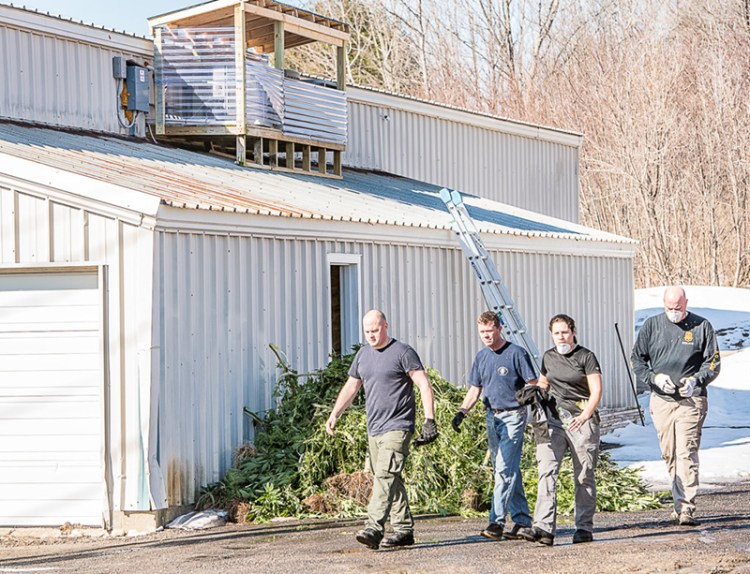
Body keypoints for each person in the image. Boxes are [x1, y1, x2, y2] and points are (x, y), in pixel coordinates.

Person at [326, 309, 438, 550]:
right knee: (387, 476)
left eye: (375, 330)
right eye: (367, 332)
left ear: (385, 326)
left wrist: (430, 420)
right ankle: (404, 530)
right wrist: (335, 413)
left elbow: (424, 385)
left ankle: (374, 527)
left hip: (398, 426)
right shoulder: (363, 355)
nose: (371, 336)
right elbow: (351, 387)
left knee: (385, 475)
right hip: (374, 428)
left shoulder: (403, 352)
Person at [631, 286, 720, 526]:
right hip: (662, 400)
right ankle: (678, 499)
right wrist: (654, 378)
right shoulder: (652, 326)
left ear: (686, 303)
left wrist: (696, 380)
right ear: (664, 304)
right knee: (670, 453)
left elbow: (713, 363)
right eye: (669, 308)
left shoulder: (702, 327)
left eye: (678, 308)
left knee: (686, 452)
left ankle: (686, 508)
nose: (674, 312)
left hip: (691, 400)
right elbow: (637, 360)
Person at [451, 311, 537, 540]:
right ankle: (522, 521)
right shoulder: (481, 357)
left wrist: (529, 400)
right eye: (482, 332)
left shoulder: (516, 353)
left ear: (499, 328)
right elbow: (474, 389)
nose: (486, 336)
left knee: (503, 470)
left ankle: (496, 523)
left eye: (490, 331)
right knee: (510, 470)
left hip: (513, 417)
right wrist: (462, 411)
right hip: (492, 417)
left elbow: (533, 383)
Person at [522, 314, 602, 546]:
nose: (561, 337)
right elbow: (545, 382)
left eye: (564, 332)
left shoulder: (586, 357)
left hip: (581, 420)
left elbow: (596, 390)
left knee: (583, 475)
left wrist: (585, 416)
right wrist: (534, 390)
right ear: (551, 334)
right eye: (556, 333)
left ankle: (584, 527)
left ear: (573, 331)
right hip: (553, 422)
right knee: (547, 471)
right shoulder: (548, 356)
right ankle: (544, 528)